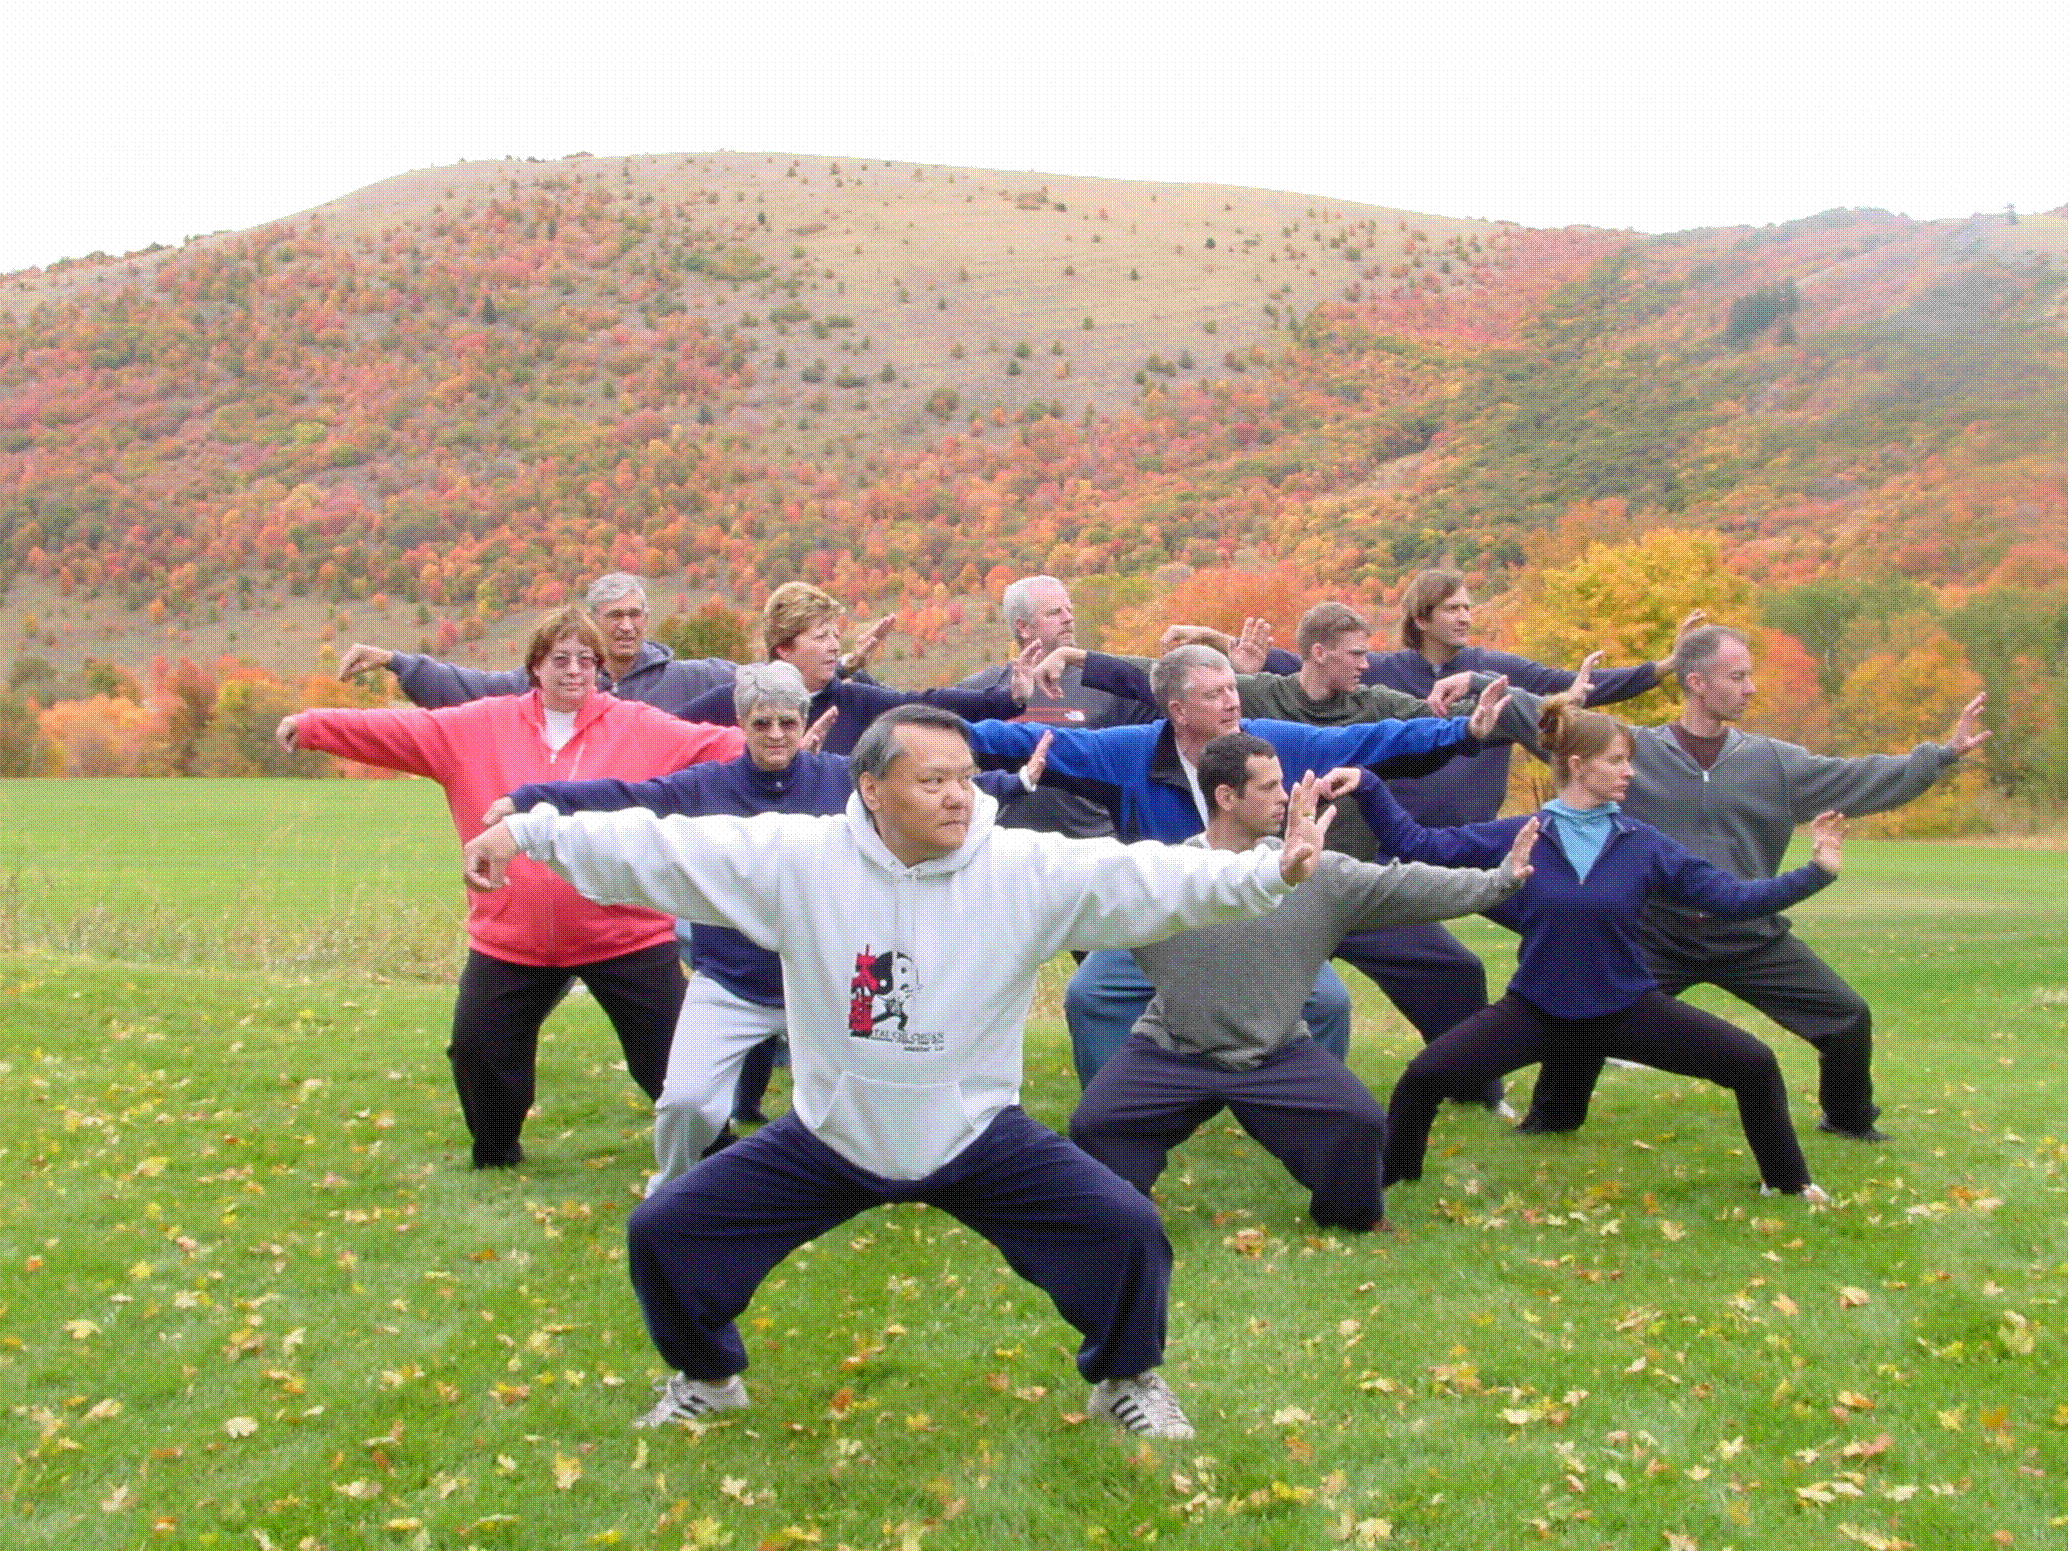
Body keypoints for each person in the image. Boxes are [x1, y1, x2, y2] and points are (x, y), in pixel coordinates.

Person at [463, 705, 1338, 1439]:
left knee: (1126, 1231)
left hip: (973, 1129)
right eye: (932, 779)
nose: (958, 793)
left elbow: (1153, 877)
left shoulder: (1023, 869)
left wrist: (1267, 870)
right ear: (872, 788)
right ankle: (709, 1376)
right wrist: (529, 830)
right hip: (833, 1131)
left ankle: (1125, 1380)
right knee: (666, 1231)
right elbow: (661, 848)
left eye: (964, 775)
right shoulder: (800, 862)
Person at [485, 663, 1047, 1187]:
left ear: (805, 721)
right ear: (741, 724)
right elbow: (627, 799)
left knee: (893, 1079)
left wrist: (1016, 784)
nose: (776, 734)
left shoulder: (841, 782)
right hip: (733, 979)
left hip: (837, 978)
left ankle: (903, 1177)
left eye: (788, 722)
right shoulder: (706, 786)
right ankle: (676, 1186)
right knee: (685, 1102)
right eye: (762, 724)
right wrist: (529, 801)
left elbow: (924, 796)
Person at [278, 606, 743, 1167]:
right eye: (561, 659)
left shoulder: (641, 726)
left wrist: (790, 752)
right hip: (513, 939)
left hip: (626, 935)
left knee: (671, 1063)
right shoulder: (478, 725)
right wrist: (312, 726)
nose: (575, 670)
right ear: (535, 667)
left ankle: (720, 1159)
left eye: (587, 660)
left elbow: (717, 747)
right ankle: (496, 1156)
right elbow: (395, 731)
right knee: (479, 1052)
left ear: (600, 669)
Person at [1338, 694, 1848, 1203]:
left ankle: (1786, 1185)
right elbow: (1421, 847)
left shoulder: (1642, 843)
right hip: (1536, 1011)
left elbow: (1732, 898)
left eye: (1630, 760)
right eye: (1617, 760)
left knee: (1754, 1063)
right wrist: (1369, 785)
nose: (1630, 772)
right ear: (1577, 766)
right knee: (1423, 1079)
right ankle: (1394, 1181)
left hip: (1627, 1008)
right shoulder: (1522, 834)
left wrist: (1816, 872)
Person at [1518, 624, 1991, 1141]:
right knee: (1585, 1015)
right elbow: (1538, 724)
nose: (1751, 688)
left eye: (1750, 676)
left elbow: (1861, 779)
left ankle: (1849, 1121)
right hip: (1654, 935)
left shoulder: (1773, 762)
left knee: (1847, 1017)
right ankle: (1550, 1123)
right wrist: (1472, 684)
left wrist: (1940, 756)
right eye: (1738, 676)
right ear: (1696, 682)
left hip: (1748, 931)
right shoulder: (1635, 753)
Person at [965, 643, 1507, 1083]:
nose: (1233, 702)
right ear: (1177, 710)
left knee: (1332, 1001)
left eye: (1232, 688)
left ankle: (1314, 1102)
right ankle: (1117, 1110)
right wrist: (937, 736)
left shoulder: (1271, 745)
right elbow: (1025, 740)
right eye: (1215, 694)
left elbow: (1367, 739)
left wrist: (1463, 732)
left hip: (1270, 911)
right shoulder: (1126, 752)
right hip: (1167, 919)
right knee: (1091, 994)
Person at [1069, 732, 1535, 1231]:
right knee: (1096, 1125)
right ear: (1226, 797)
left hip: (1276, 1052)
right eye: (1269, 787)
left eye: (1282, 783)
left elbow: (1408, 885)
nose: (1285, 796)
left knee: (1360, 1125)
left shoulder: (1320, 875)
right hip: (1173, 1048)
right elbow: (1072, 907)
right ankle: (1118, 1216)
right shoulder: (1166, 873)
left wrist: (1499, 880)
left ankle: (1354, 1219)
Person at [678, 582, 1047, 756]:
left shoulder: (852, 700)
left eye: (835, 636)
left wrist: (1008, 699)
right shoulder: (734, 702)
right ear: (784, 649)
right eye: (821, 637)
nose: (834, 646)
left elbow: (926, 703)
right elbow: (665, 739)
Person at [336, 574, 742, 714]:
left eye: (635, 615)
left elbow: (768, 687)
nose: (626, 626)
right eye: (615, 616)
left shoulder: (693, 678)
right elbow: (467, 689)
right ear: (592, 621)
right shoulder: (554, 681)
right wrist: (397, 662)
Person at [954, 574, 1157, 838]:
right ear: (1023, 628)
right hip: (1011, 852)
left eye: (1069, 610)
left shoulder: (1106, 685)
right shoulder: (984, 692)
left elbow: (1172, 689)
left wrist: (1081, 659)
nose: (1069, 618)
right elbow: (917, 720)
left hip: (1092, 848)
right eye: (1055, 612)